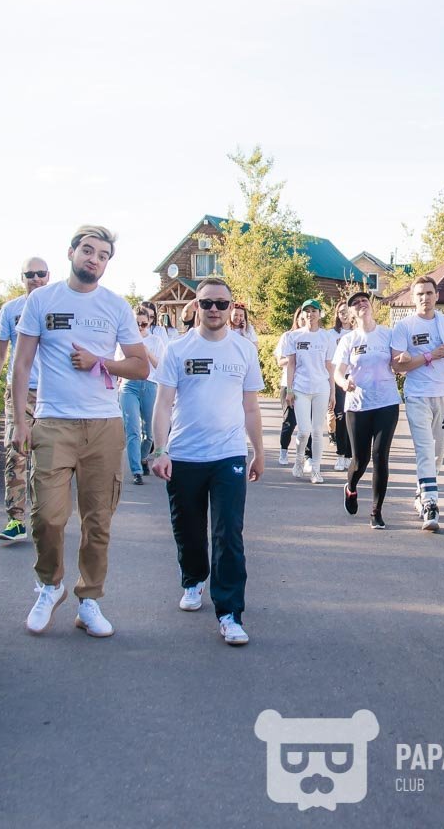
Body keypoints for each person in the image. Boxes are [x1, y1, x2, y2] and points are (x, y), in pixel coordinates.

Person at [11, 225, 151, 638]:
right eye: (88, 250)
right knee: (47, 517)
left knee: (98, 520)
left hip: (104, 425)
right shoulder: (42, 300)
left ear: (107, 263)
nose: (94, 259)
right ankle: (49, 586)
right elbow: (21, 364)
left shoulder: (115, 306)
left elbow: (141, 366)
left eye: (103, 255)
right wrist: (20, 421)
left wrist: (99, 362)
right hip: (53, 422)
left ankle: (89, 600)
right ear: (71, 252)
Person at [149, 277, 265, 647]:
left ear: (232, 308)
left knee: (228, 533)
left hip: (228, 454)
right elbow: (163, 404)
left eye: (221, 303)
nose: (214, 309)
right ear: (195, 307)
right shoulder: (177, 349)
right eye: (206, 303)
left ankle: (230, 613)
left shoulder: (244, 350)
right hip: (185, 454)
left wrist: (258, 451)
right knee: (189, 528)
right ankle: (193, 578)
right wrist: (160, 449)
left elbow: (251, 407)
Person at [0, 256, 49, 542]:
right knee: (15, 453)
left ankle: (44, 520)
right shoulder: (10, 310)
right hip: (18, 392)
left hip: (51, 393)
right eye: (29, 274)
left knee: (47, 459)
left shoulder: (58, 305)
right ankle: (15, 520)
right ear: (22, 278)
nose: (35, 278)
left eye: (41, 273)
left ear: (49, 276)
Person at [389, 276, 444, 532]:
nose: (425, 298)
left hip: (443, 395)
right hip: (417, 395)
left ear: (437, 295)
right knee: (424, 449)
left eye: (429, 293)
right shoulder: (404, 326)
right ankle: (430, 503)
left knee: (437, 453)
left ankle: (421, 491)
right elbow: (397, 365)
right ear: (413, 298)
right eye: (420, 294)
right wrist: (428, 356)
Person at [333, 291, 400, 529]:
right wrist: (344, 383)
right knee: (360, 460)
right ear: (351, 312)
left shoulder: (387, 334)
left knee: (380, 456)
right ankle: (351, 487)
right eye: (355, 303)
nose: (361, 304)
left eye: (364, 300)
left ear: (371, 306)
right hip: (357, 405)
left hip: (387, 402)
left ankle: (376, 511)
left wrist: (404, 361)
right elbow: (338, 371)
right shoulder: (349, 340)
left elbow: (398, 362)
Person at [282, 299, 336, 484]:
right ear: (302, 314)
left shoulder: (327, 337)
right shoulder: (294, 336)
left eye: (314, 311)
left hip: (321, 388)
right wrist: (289, 390)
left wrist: (333, 392)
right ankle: (299, 460)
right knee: (304, 431)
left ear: (320, 314)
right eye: (307, 311)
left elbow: (330, 366)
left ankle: (316, 470)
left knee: (317, 431)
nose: (310, 314)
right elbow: (291, 364)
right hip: (301, 388)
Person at [120, 302, 166, 485]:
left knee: (149, 433)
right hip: (129, 385)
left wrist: (146, 352)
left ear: (150, 322)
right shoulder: (124, 340)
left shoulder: (155, 341)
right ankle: (136, 470)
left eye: (143, 324)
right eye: (136, 324)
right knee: (133, 430)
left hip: (149, 384)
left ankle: (142, 458)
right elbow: (118, 363)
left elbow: (160, 368)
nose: (139, 327)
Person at [272, 310, 313, 467]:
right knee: (290, 421)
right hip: (288, 384)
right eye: (301, 319)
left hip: (307, 385)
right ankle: (283, 450)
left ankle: (308, 456)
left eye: (305, 318)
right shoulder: (288, 336)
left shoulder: (314, 337)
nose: (304, 321)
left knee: (308, 423)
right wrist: (293, 360)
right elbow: (280, 361)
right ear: (296, 320)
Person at [329, 302, 351, 471]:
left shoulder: (358, 332)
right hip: (338, 377)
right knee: (340, 417)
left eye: (347, 311)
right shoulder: (331, 334)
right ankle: (340, 455)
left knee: (353, 417)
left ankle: (350, 455)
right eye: (341, 312)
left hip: (355, 377)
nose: (344, 315)